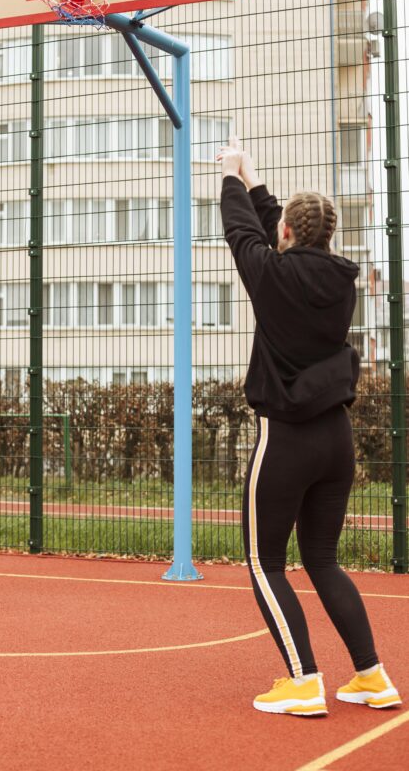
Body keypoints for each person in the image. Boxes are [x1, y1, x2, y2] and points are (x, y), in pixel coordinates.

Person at [216, 136, 401, 717]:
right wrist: (253, 178)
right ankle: (372, 676)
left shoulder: (271, 276)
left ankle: (302, 681)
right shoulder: (340, 282)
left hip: (287, 439)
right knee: (322, 559)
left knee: (265, 561)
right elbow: (276, 232)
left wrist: (228, 177)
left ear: (289, 235)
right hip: (335, 442)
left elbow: (243, 232)